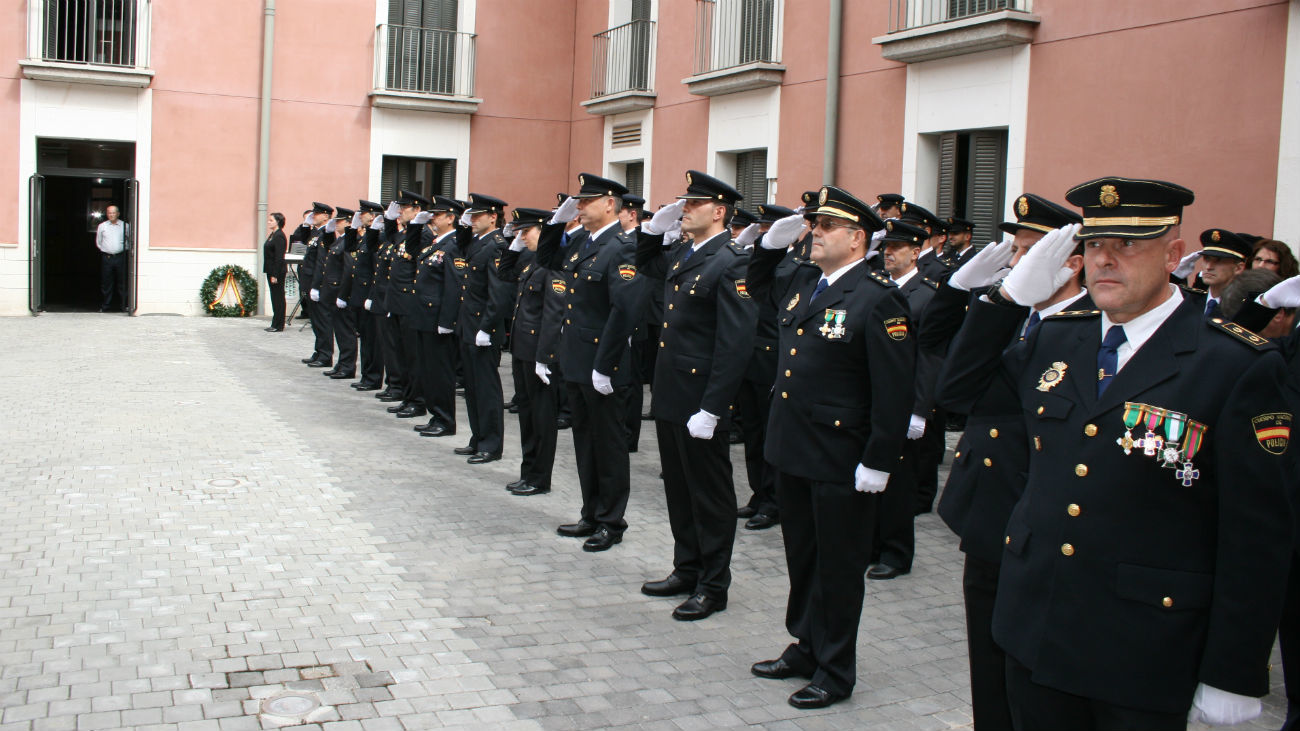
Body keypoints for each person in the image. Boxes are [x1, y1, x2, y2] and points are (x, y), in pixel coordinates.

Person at [942, 177, 1292, 730]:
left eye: (1128, 245)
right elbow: (958, 394)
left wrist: (1233, 668)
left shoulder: (1233, 363)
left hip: (1143, 647)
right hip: (1035, 625)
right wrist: (1006, 300)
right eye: (1097, 245)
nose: (1106, 260)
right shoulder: (1058, 336)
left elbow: (1257, 534)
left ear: (1174, 254)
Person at [747, 186, 915, 710]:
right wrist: (769, 246)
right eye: (814, 225)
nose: (814, 233)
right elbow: (757, 286)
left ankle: (836, 669)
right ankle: (806, 645)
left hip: (842, 457)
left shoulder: (879, 297)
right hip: (795, 448)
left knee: (839, 567)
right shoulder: (805, 282)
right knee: (803, 557)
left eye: (826, 227)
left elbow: (894, 388)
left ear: (857, 237)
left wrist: (879, 460)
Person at [928, 191, 1085, 731]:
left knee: (1031, 673)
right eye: (1014, 251)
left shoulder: (1085, 327)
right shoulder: (1010, 311)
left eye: (1029, 252)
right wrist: (959, 290)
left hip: (1037, 512)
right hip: (989, 510)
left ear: (1070, 261)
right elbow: (943, 367)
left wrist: (1006, 302)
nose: (1016, 264)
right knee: (987, 663)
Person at [636, 171, 757, 622]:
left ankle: (713, 584)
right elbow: (645, 262)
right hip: (672, 392)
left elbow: (735, 343)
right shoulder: (685, 253)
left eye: (694, 203)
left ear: (720, 211)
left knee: (709, 495)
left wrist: (713, 407)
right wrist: (651, 229)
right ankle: (686, 568)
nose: (684, 208)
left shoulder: (732, 261)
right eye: (684, 202)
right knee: (680, 491)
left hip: (701, 399)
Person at [536, 174, 648, 553]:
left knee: (609, 444)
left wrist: (605, 365)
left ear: (610, 204)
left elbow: (623, 311)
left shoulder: (624, 246)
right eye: (578, 203)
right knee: (585, 441)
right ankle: (591, 511)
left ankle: (611, 521)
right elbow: (547, 259)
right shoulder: (583, 241)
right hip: (577, 359)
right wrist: (555, 223)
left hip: (605, 364)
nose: (580, 207)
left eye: (586, 202)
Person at [867, 220, 939, 582]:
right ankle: (874, 542)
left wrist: (919, 409)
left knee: (899, 482)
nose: (889, 253)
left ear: (916, 252)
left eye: (897, 248)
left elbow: (929, 357)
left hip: (905, 400)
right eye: (886, 247)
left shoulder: (926, 294)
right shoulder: (876, 289)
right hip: (876, 401)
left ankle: (896, 552)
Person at [499, 207, 564, 496]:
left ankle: (540, 478)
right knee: (527, 416)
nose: (523, 237)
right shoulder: (532, 263)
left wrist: (545, 357)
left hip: (538, 354)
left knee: (541, 419)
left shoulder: (554, 266)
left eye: (527, 232)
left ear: (544, 231)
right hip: (522, 350)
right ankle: (528, 472)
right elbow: (504, 272)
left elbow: (554, 314)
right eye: (520, 233)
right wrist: (513, 247)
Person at [450, 193, 512, 465]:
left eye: (477, 216)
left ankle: (491, 444)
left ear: (492, 217)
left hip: (483, 330)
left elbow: (498, 295)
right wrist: (463, 225)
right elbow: (460, 246)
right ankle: (477, 437)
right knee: (473, 388)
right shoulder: (478, 242)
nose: (472, 220)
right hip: (469, 325)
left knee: (486, 389)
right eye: (470, 216)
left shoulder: (497, 246)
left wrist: (487, 328)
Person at [411, 196, 464, 439]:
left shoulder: (454, 245)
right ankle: (436, 415)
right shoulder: (436, 242)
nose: (433, 218)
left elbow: (453, 287)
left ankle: (445, 419)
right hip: (424, 316)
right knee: (428, 370)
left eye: (437, 215)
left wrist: (446, 321)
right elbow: (412, 250)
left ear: (451, 218)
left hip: (437, 319)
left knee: (440, 373)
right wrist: (414, 226)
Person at [318, 207, 357, 381]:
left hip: (340, 292)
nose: (336, 223)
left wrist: (343, 294)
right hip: (332, 291)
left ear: (349, 223)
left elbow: (348, 269)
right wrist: (328, 231)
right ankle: (341, 364)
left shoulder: (349, 241)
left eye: (340, 221)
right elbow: (326, 249)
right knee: (339, 332)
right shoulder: (339, 240)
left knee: (345, 332)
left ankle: (348, 366)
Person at [300, 202, 334, 368]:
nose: (313, 215)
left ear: (326, 216)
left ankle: (326, 355)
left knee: (323, 321)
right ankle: (319, 351)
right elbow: (300, 238)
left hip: (318, 282)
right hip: (309, 280)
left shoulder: (327, 233)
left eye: (317, 213)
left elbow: (321, 262)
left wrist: (316, 285)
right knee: (315, 321)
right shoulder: (316, 232)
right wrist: (306, 225)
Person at [1196, 228, 1253, 318]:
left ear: (1238, 268)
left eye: (1218, 260)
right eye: (1206, 258)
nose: (1208, 267)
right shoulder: (1190, 302)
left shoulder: (1243, 310)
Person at [95, 204, 129, 313]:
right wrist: (107, 249)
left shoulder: (125, 226)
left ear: (118, 214)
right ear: (107, 214)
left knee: (122, 282)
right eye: (109, 212)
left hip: (121, 257)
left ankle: (124, 306)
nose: (111, 214)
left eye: (113, 212)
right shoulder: (102, 226)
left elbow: (130, 240)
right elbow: (99, 242)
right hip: (107, 258)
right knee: (106, 283)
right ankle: (106, 306)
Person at [263, 212, 287, 331]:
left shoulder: (279, 236)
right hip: (270, 270)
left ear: (278, 222)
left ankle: (279, 325)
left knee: (278, 297)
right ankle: (275, 323)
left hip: (276, 272)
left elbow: (279, 257)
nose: (269, 222)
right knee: (274, 297)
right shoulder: (273, 235)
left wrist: (275, 274)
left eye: (271, 220)